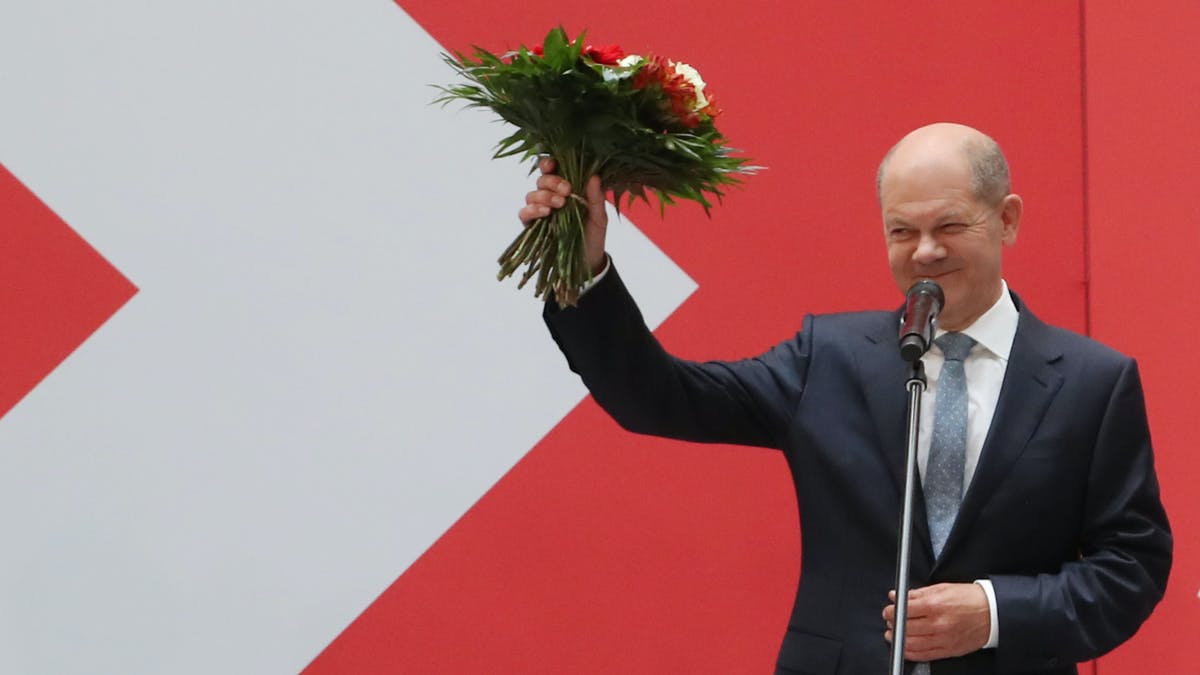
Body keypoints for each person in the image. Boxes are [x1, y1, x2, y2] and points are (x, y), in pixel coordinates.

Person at [519, 123, 1171, 675]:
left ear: (1007, 219)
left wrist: (995, 612)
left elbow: (1130, 568)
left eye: (949, 225)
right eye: (901, 231)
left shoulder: (1092, 383)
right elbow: (658, 398)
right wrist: (583, 267)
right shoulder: (827, 357)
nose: (925, 252)